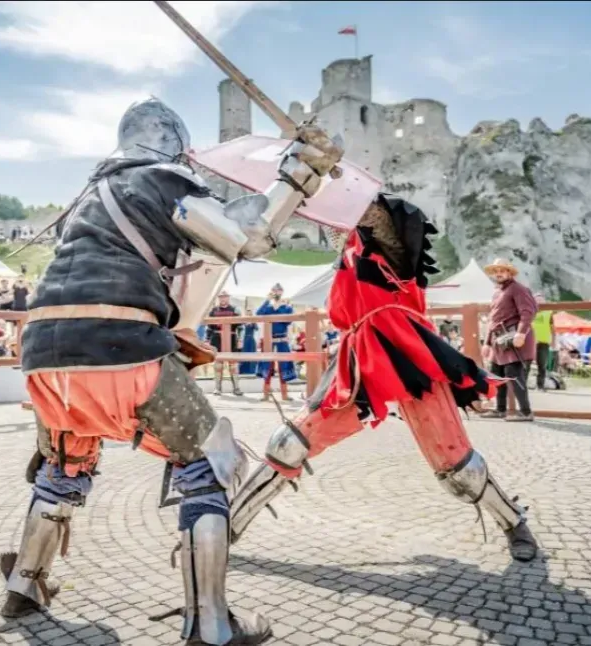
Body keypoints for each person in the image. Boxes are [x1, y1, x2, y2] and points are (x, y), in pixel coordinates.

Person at [0, 95, 343, 646]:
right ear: (174, 145)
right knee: (211, 461)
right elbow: (247, 236)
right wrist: (302, 173)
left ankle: (25, 581)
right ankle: (211, 623)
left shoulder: (87, 196)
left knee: (64, 466)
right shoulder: (160, 179)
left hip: (43, 355)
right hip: (119, 343)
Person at [228, 194, 539, 585]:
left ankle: (512, 520)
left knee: (457, 465)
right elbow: (343, 312)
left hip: (408, 351)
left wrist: (328, 189)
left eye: (338, 219)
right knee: (289, 444)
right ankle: (227, 525)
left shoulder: (389, 240)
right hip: (359, 354)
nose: (331, 227)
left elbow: (378, 219)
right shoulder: (348, 257)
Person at [481, 259, 538, 421]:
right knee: (497, 375)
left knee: (514, 374)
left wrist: (521, 333)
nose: (498, 273)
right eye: (496, 271)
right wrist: (487, 343)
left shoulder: (518, 289)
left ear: (510, 272)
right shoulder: (497, 292)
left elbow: (528, 312)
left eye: (502, 270)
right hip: (498, 340)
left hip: (513, 338)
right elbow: (493, 319)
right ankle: (500, 409)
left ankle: (526, 412)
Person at [255, 284, 296, 402]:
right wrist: (267, 300)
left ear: (282, 292)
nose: (276, 292)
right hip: (269, 340)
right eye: (274, 290)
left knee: (284, 366)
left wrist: (276, 313)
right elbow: (258, 314)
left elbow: (288, 321)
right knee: (267, 365)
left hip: (282, 339)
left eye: (278, 290)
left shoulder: (287, 307)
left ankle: (285, 395)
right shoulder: (268, 307)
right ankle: (265, 394)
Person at [206, 291, 244, 396]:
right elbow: (209, 327)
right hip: (217, 338)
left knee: (233, 364)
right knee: (218, 364)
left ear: (228, 298)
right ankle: (217, 388)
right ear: (219, 298)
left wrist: (240, 339)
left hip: (232, 337)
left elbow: (240, 327)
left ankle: (236, 388)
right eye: (221, 297)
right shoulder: (213, 311)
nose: (223, 299)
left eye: (225, 297)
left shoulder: (235, 310)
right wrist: (207, 339)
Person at [530, 293, 554, 390]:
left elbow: (552, 328)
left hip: (543, 342)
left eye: (541, 300)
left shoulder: (549, 313)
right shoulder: (529, 310)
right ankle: (523, 385)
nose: (539, 302)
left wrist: (553, 341)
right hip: (530, 342)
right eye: (537, 300)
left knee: (542, 364)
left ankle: (540, 385)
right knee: (526, 364)